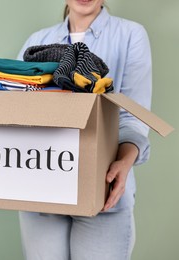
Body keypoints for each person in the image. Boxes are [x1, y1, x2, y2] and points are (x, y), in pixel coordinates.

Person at [17, 1, 152, 259]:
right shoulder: (36, 42)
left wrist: (124, 162)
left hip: (103, 190)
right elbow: (17, 110)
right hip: (42, 187)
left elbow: (133, 117)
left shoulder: (131, 35)